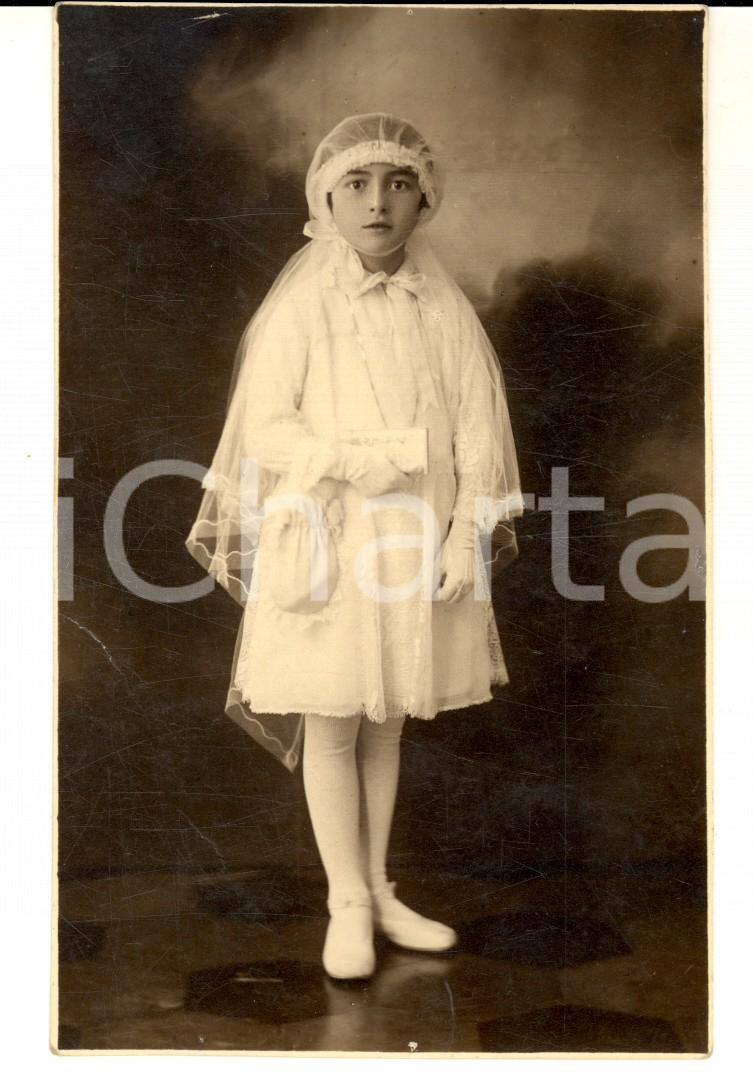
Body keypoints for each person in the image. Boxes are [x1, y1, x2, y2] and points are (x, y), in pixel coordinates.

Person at [186, 113, 524, 980]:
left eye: (398, 185)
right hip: (330, 536)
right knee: (333, 720)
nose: (378, 203)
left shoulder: (441, 306)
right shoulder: (302, 304)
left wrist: (465, 531)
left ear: (424, 201)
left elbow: (480, 429)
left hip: (413, 540)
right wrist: (359, 461)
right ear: (325, 201)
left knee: (386, 723)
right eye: (357, 186)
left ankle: (378, 889)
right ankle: (343, 901)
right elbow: (265, 427)